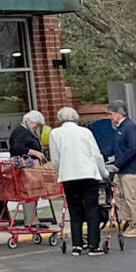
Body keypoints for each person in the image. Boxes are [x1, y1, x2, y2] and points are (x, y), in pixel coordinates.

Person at [50, 102, 109, 254]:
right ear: (76, 118)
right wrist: (104, 172)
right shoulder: (85, 132)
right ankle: (93, 245)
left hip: (68, 176)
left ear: (60, 119)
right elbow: (96, 155)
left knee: (74, 210)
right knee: (92, 210)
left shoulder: (55, 134)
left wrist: (60, 171)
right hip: (88, 174)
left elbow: (55, 158)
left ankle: (77, 245)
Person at [101, 99, 136, 237]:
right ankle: (129, 220)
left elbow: (133, 148)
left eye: (111, 114)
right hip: (122, 169)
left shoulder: (130, 127)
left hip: (130, 169)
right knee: (119, 195)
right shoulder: (121, 128)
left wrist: (118, 164)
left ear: (119, 113)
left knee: (131, 197)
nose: (110, 117)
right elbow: (117, 148)